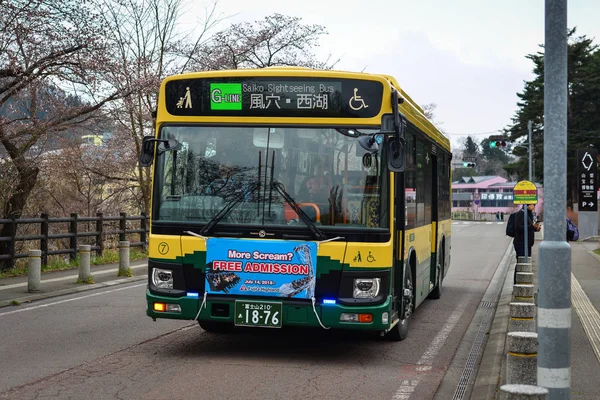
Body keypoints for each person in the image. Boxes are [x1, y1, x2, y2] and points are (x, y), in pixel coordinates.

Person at [513, 204, 541, 282]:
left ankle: (522, 281)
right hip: (521, 244)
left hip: (527, 244)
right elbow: (518, 228)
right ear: (527, 205)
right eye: (533, 205)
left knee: (525, 263)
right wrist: (532, 227)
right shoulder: (521, 213)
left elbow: (528, 228)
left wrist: (535, 228)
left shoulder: (529, 214)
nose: (534, 206)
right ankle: (517, 282)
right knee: (521, 263)